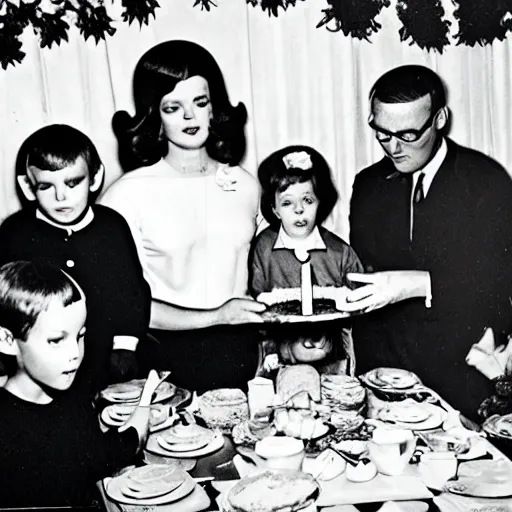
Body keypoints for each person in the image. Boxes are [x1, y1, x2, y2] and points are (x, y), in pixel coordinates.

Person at [345, 65, 512, 420]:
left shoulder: (487, 182)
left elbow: (499, 287)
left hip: (463, 385)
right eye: (382, 133)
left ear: (439, 118)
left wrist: (419, 284)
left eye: (407, 134)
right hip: (386, 388)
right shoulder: (368, 185)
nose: (393, 147)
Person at [100, 40, 265, 393]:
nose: (190, 117)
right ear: (154, 114)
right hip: (163, 360)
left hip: (241, 352)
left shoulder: (246, 185)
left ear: (213, 108)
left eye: (200, 103)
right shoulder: (125, 194)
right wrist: (217, 316)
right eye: (173, 107)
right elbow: (124, 304)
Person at [0, 124, 151, 395]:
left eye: (73, 183)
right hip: (42, 370)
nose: (61, 197)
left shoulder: (112, 226)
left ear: (94, 178)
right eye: (46, 186)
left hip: (107, 361)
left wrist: (125, 345)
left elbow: (132, 292)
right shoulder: (15, 233)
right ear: (28, 186)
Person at [0, 261, 150, 507]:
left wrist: (109, 426)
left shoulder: (70, 400)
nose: (75, 353)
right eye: (57, 340)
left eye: (80, 336)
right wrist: (139, 422)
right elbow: (103, 455)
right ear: (6, 340)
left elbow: (88, 449)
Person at [250, 145, 364, 376]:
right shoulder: (263, 248)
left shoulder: (340, 252)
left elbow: (358, 315)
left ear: (320, 202)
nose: (299, 210)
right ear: (274, 208)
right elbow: (256, 309)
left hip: (331, 363)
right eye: (287, 203)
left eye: (307, 200)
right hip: (280, 363)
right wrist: (273, 349)